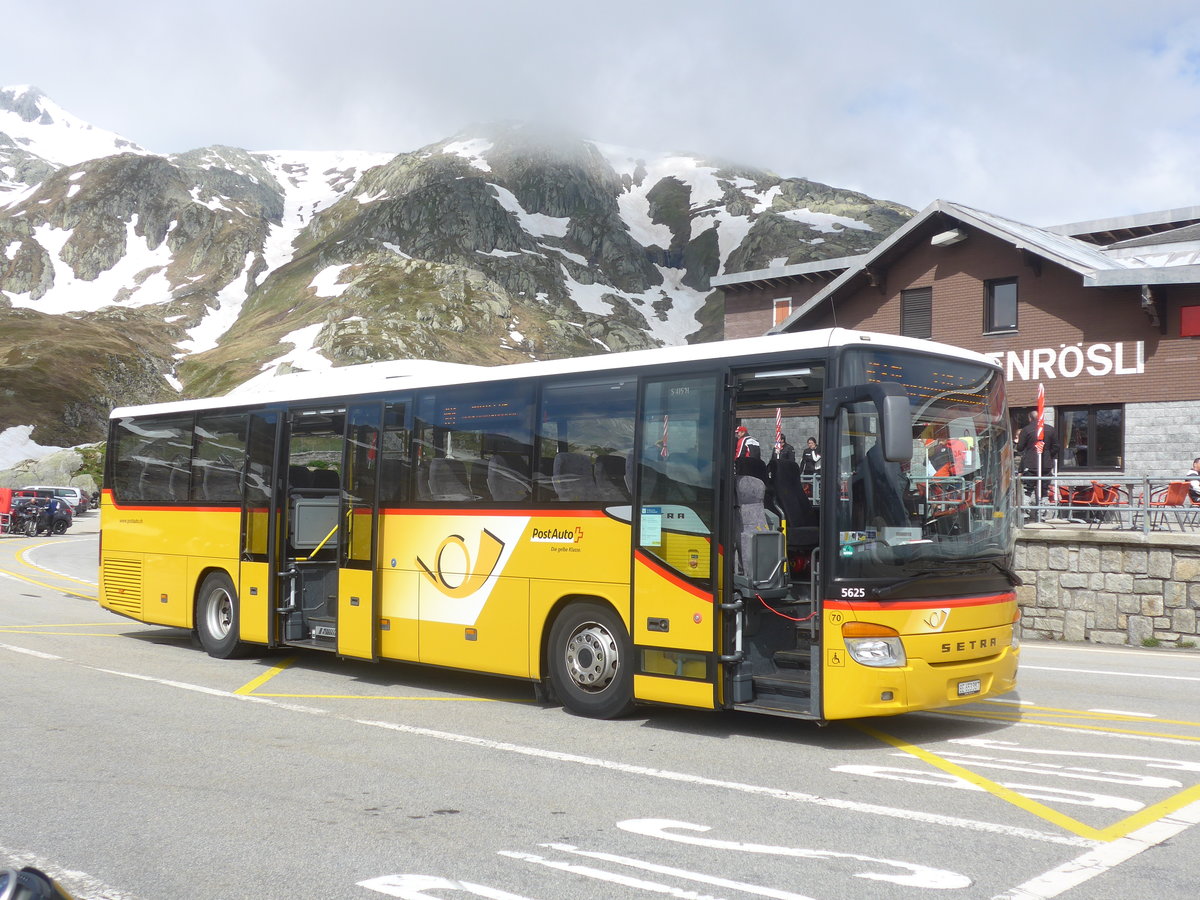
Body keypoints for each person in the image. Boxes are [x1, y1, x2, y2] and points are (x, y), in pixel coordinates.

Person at [1015, 413, 1060, 509]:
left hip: (1030, 464)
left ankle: (1025, 511)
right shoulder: (1050, 429)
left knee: (1027, 489)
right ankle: (1043, 511)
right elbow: (1056, 447)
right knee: (1044, 490)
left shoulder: (1026, 430)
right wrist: (1047, 454)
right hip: (1046, 464)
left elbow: (1020, 447)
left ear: (1029, 418)